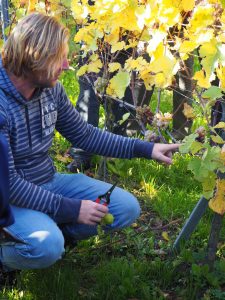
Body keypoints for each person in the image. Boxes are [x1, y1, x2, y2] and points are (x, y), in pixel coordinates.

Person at [0, 12, 179, 271]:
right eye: (58, 58)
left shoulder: (50, 90)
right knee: (45, 244)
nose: (65, 66)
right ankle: (14, 255)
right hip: (8, 199)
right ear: (35, 57)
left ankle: (56, 235)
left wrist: (146, 148)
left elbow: (84, 135)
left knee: (124, 207)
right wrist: (72, 209)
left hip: (46, 182)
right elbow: (11, 185)